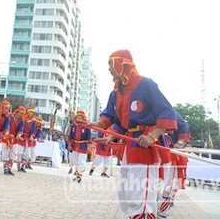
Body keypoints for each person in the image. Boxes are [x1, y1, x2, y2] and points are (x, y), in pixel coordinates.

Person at [88, 49, 178, 219]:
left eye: (110, 64)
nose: (108, 69)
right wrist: (98, 125)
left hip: (145, 144)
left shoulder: (146, 84)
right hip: (129, 146)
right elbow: (110, 117)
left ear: (122, 64)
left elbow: (167, 112)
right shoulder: (115, 92)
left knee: (140, 193)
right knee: (126, 191)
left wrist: (152, 136)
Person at [68, 111, 92, 182]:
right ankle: (77, 172)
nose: (78, 117)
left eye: (80, 116)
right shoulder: (73, 126)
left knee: (81, 161)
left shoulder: (86, 126)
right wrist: (69, 144)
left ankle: (79, 175)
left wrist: (88, 147)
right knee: (74, 160)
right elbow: (70, 136)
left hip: (83, 145)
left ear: (83, 117)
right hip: (75, 145)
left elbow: (89, 138)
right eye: (77, 116)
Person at [2, 106, 25, 176]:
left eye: (23, 114)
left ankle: (9, 169)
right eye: (21, 113)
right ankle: (5, 169)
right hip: (6, 138)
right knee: (5, 154)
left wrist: (19, 135)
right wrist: (6, 133)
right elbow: (6, 126)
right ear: (17, 112)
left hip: (15, 140)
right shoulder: (8, 117)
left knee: (13, 155)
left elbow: (21, 129)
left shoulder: (22, 121)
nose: (22, 115)